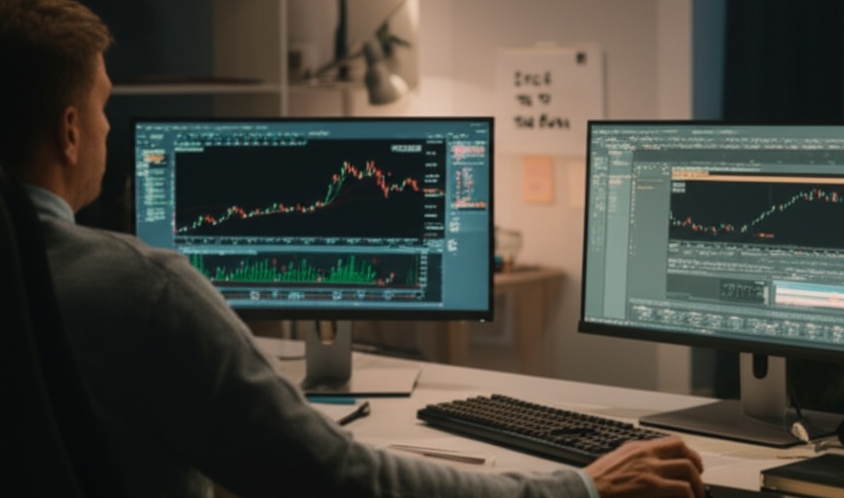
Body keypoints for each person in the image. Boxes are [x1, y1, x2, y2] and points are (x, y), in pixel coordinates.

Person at [0, 1, 706, 497]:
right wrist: (579, 488)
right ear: (68, 131)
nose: (106, 128)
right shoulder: (144, 293)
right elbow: (336, 481)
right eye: (102, 107)